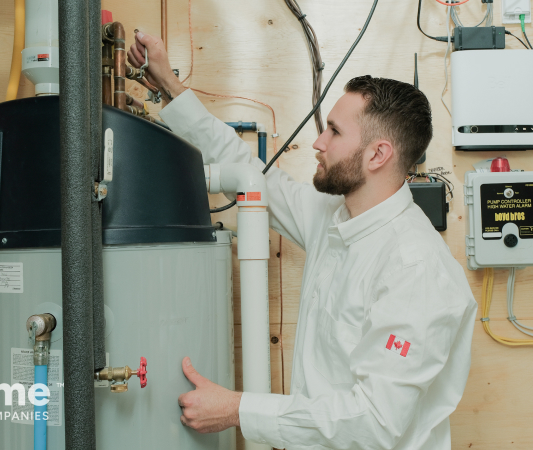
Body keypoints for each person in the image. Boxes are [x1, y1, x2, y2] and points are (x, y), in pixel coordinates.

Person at [129, 30, 478, 450]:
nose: (318, 142)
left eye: (333, 131)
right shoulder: (334, 216)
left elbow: (375, 423)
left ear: (377, 154)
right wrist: (169, 84)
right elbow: (249, 173)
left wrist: (238, 409)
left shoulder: (416, 270)